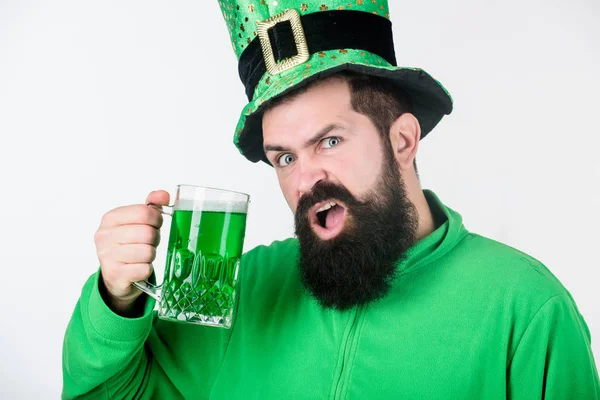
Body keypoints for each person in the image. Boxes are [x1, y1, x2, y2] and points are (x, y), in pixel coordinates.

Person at [62, 1, 600, 399]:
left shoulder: (526, 308)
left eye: (330, 141)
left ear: (403, 140)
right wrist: (118, 300)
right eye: (285, 158)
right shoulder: (240, 291)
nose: (306, 179)